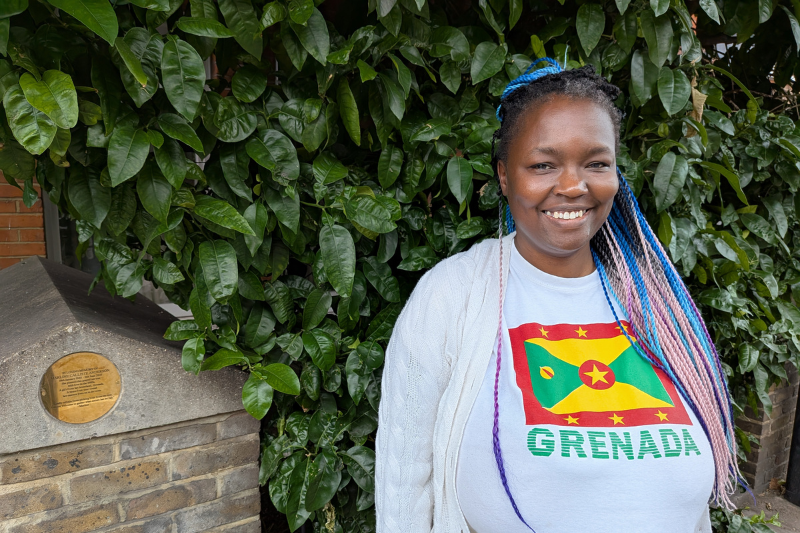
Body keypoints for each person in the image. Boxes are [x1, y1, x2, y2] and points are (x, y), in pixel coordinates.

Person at [374, 59, 742, 533]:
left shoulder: (656, 301)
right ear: (505, 176)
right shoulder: (451, 296)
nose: (573, 186)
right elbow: (404, 482)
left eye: (596, 163)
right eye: (543, 165)